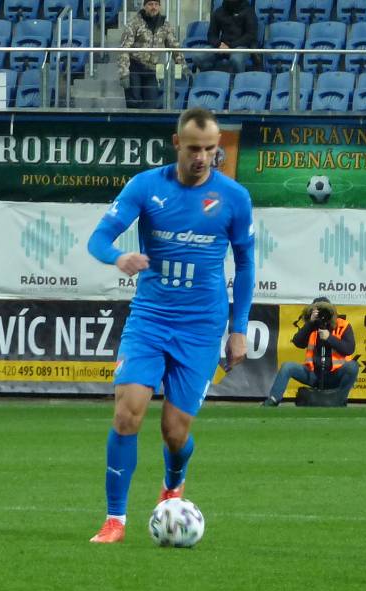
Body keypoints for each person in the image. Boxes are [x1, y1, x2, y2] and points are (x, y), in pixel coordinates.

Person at [86, 107, 255, 543]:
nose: (202, 157)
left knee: (174, 432)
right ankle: (115, 521)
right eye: (195, 148)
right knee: (127, 414)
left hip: (201, 326)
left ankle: (173, 482)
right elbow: (98, 240)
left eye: (211, 150)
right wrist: (118, 257)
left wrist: (239, 327)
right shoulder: (146, 186)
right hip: (151, 317)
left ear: (218, 149)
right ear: (177, 143)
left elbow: (246, 262)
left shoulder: (233, 197)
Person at [262, 297, 359, 407]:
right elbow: (298, 342)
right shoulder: (311, 326)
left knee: (352, 366)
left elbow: (349, 349)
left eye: (325, 311)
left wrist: (329, 338)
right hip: (314, 375)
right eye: (318, 311)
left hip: (335, 375)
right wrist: (310, 323)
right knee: (287, 367)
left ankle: (340, 399)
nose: (322, 315)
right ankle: (273, 400)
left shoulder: (343, 325)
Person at [118, 0, 187, 109]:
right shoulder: (134, 24)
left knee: (152, 104)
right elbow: (124, 49)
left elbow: (174, 47)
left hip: (152, 70)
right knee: (134, 104)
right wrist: (124, 74)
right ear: (144, 6)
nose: (153, 7)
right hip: (134, 68)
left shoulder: (165, 25)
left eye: (156, 4)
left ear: (159, 6)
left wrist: (183, 67)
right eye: (150, 4)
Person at [191, 0, 258, 74]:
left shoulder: (249, 11)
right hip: (221, 47)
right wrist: (219, 44)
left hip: (241, 46)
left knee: (236, 59)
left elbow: (251, 35)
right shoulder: (219, 12)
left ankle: (236, 82)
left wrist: (230, 46)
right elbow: (211, 35)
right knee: (197, 57)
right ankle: (210, 77)